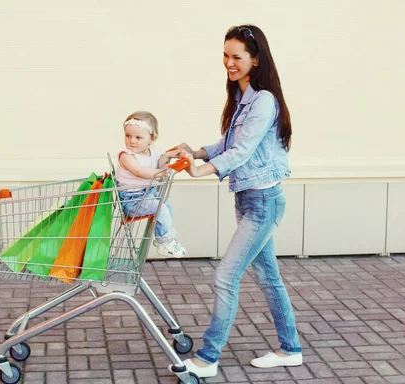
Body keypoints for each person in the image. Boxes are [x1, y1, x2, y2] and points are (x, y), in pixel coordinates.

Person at [172, 25, 302, 378]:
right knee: (269, 278)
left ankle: (208, 357)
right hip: (249, 200)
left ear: (256, 59)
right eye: (226, 56)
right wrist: (194, 152)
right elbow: (228, 142)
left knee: (226, 276)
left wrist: (202, 171)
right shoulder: (243, 98)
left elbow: (241, 151)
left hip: (263, 202)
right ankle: (291, 349)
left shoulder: (263, 101)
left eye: (237, 57)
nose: (229, 63)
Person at [115, 111, 187, 257]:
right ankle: (164, 242)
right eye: (128, 136)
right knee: (159, 207)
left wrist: (167, 156)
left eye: (138, 137)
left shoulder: (152, 151)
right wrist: (160, 173)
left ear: (152, 139)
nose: (132, 141)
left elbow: (158, 163)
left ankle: (166, 238)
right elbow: (139, 171)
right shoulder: (126, 156)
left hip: (147, 193)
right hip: (132, 200)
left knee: (166, 204)